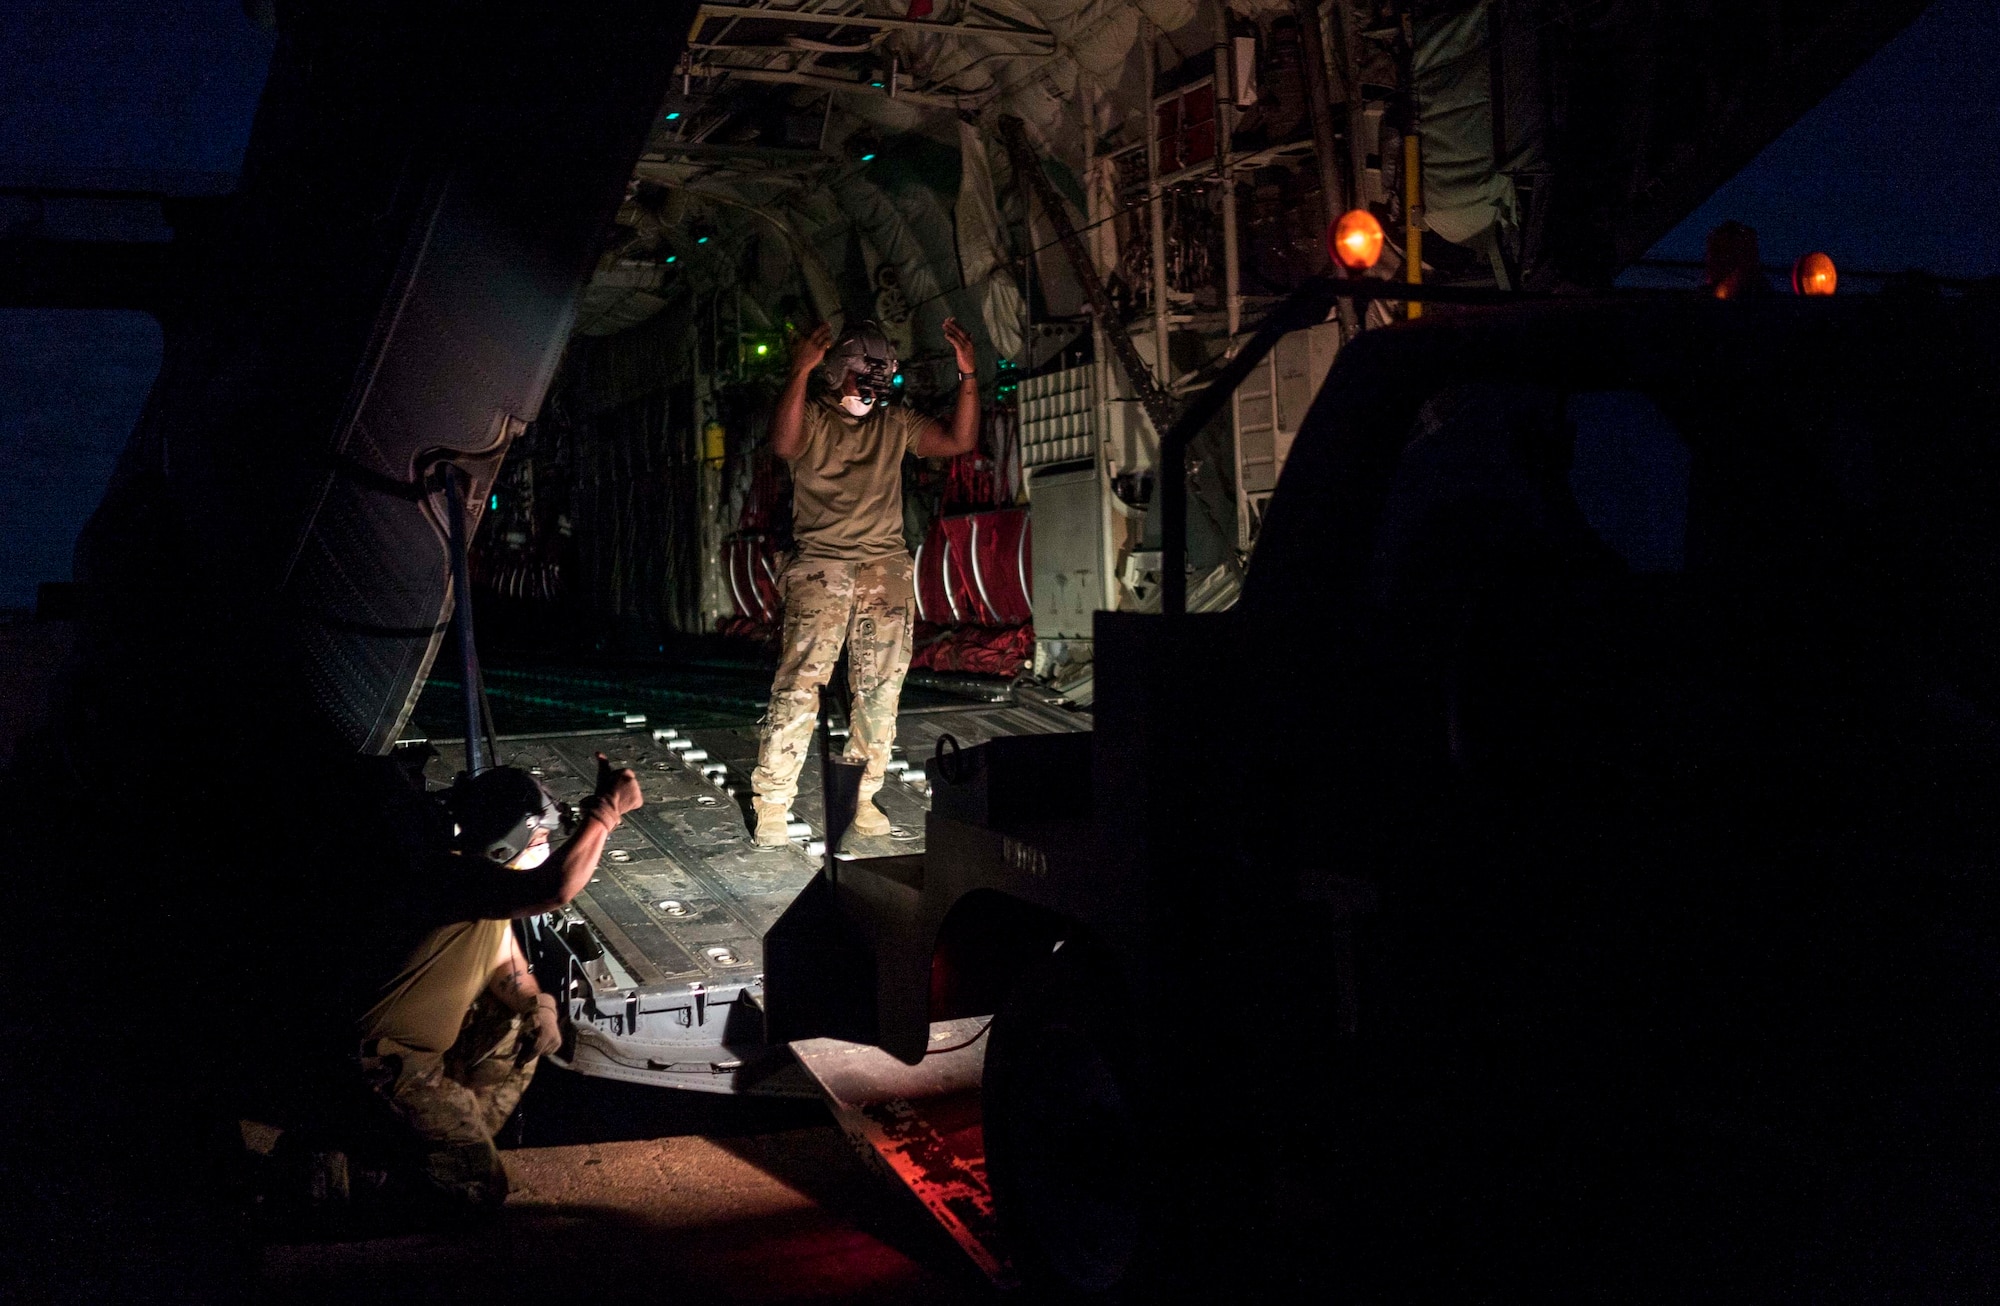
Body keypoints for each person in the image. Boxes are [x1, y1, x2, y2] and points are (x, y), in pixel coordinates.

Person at [348, 753, 644, 1216]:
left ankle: (437, 1140)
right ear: (508, 845)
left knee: (516, 1024)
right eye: (541, 838)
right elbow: (555, 888)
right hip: (385, 1062)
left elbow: (505, 956)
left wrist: (536, 1002)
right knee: (476, 1190)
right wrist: (606, 812)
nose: (546, 846)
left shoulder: (473, 882)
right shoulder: (450, 878)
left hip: (411, 1055)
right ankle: (364, 1177)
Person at [750, 316, 980, 847]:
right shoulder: (811, 417)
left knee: (880, 691)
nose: (869, 391)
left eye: (878, 379)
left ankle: (863, 794)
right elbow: (783, 443)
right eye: (860, 377)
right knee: (800, 687)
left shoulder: (895, 424)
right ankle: (774, 801)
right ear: (836, 374)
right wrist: (801, 370)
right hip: (821, 568)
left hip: (884, 570)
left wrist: (968, 376)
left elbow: (959, 440)